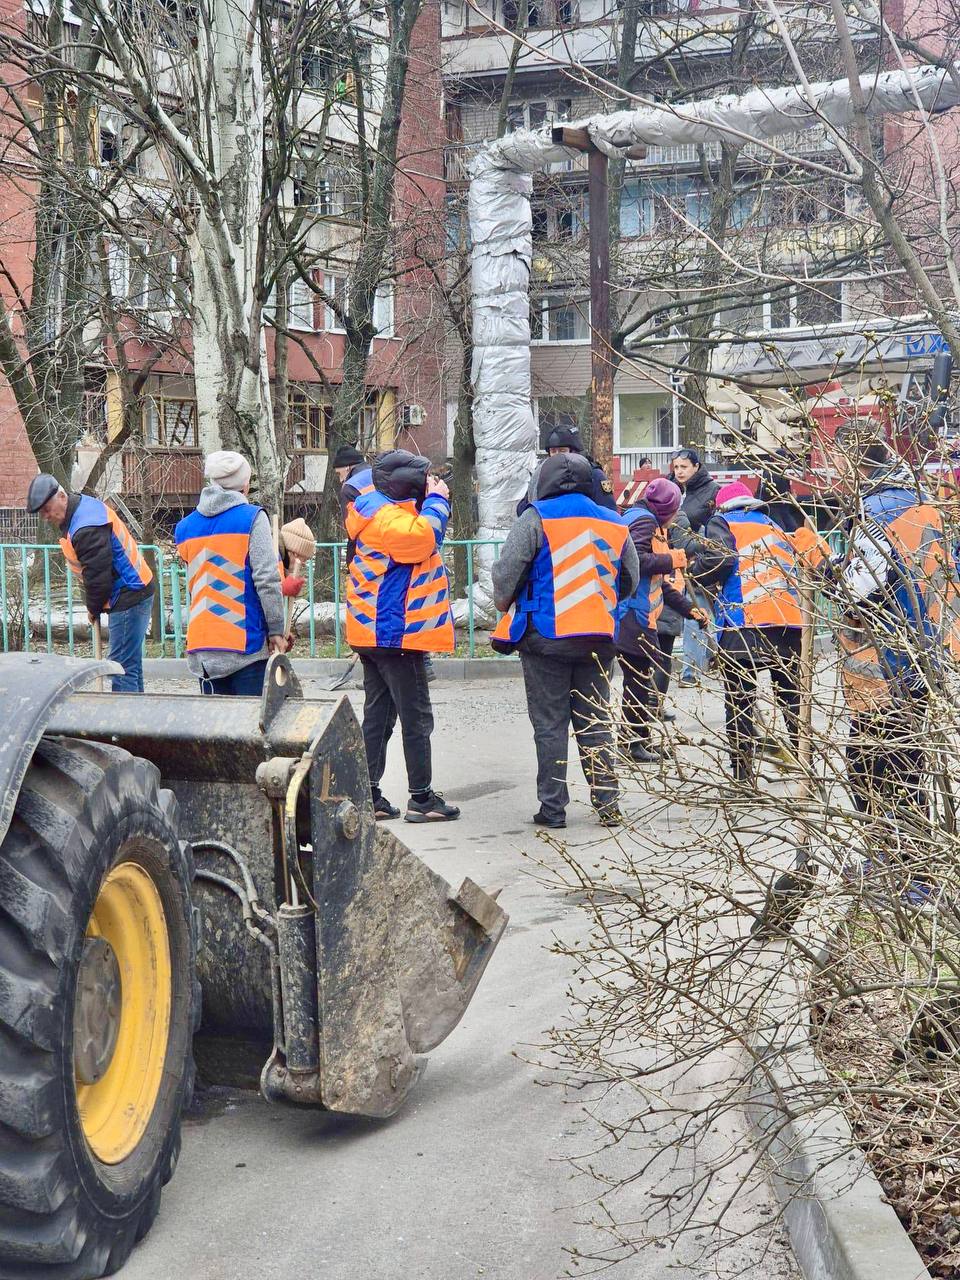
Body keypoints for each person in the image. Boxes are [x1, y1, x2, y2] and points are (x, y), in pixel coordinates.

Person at [492, 452, 638, 828]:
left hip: (546, 638)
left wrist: (507, 603)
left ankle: (553, 809)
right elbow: (630, 579)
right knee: (596, 722)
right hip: (599, 639)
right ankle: (608, 804)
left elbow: (507, 574)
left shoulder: (535, 519)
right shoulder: (614, 522)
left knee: (550, 723)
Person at [825, 429, 956, 825]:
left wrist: (825, 572)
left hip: (886, 663)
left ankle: (900, 868)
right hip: (927, 653)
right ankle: (912, 866)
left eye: (834, 462)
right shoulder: (926, 506)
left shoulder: (875, 511)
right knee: (910, 766)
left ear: (852, 462)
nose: (831, 472)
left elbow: (859, 589)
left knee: (873, 770)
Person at [345, 449, 459, 823]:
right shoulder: (392, 521)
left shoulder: (373, 510)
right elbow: (425, 538)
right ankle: (421, 797)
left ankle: (368, 792)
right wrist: (439, 501)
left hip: (371, 632)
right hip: (395, 633)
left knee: (378, 714)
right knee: (416, 716)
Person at [689, 480, 803, 783]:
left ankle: (743, 776)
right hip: (787, 623)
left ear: (722, 505)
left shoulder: (722, 522)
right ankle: (807, 768)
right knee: (791, 700)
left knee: (740, 702)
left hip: (745, 624)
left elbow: (720, 560)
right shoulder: (773, 525)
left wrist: (693, 570)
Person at [175, 450, 289, 697]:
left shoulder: (184, 528)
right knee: (250, 730)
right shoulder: (251, 518)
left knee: (216, 731)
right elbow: (267, 580)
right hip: (244, 645)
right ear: (244, 485)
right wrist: (277, 630)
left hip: (202, 647)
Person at [27, 474, 154, 692]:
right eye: (42, 513)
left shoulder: (86, 526)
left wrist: (93, 608)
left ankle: (124, 722)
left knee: (120, 666)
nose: (46, 517)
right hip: (135, 587)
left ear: (62, 496)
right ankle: (140, 721)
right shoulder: (82, 510)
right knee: (130, 664)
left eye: (47, 509)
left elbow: (98, 577)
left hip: (128, 593)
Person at [616, 478, 708, 762]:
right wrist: (674, 558)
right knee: (639, 680)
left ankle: (637, 739)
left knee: (641, 678)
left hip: (640, 613)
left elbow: (660, 583)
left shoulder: (646, 521)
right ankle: (631, 743)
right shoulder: (644, 523)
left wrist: (688, 609)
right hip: (632, 614)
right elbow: (639, 561)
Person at [671, 447, 719, 686]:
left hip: (699, 561)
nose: (679, 472)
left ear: (696, 467)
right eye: (676, 467)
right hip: (671, 560)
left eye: (684, 467)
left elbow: (715, 527)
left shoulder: (711, 491)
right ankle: (715, 656)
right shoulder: (670, 488)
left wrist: (702, 548)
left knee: (696, 611)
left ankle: (690, 671)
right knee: (697, 612)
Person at [518, 424, 618, 515]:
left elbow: (609, 512)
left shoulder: (593, 474)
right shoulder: (542, 475)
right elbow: (523, 509)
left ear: (575, 451)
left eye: (562, 451)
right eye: (553, 451)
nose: (557, 456)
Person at [333, 444, 373, 565]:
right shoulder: (380, 475)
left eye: (339, 474)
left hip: (366, 551)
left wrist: (350, 561)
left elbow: (351, 530)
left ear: (347, 468)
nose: (341, 480)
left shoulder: (350, 487)